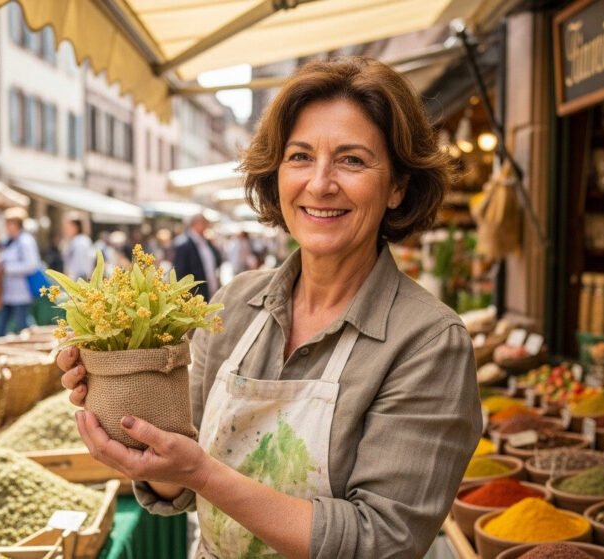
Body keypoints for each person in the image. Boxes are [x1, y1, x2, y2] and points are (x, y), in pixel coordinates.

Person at [58, 57, 481, 558]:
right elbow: (183, 487)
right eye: (300, 157)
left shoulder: (428, 343)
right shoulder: (234, 304)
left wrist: (199, 471)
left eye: (351, 160)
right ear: (276, 174)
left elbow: (380, 541)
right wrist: (131, 418)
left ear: (397, 186)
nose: (320, 183)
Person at [0, 207, 41, 336]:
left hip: (22, 292)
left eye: (9, 223)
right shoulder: (8, 241)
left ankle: (34, 343)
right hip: (8, 292)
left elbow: (31, 265)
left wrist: (7, 268)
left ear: (16, 224)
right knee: (1, 326)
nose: (7, 227)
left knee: (23, 324)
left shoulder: (25, 241)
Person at [172, 214, 223, 301]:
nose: (207, 226)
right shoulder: (184, 243)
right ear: (197, 224)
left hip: (210, 291)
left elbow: (217, 260)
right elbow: (180, 273)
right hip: (196, 294)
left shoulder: (206, 241)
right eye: (205, 223)